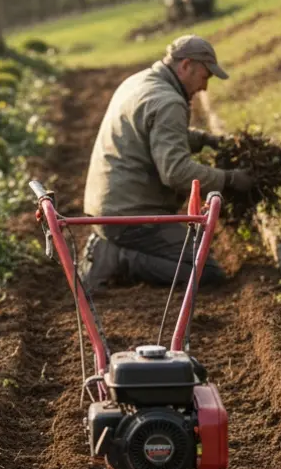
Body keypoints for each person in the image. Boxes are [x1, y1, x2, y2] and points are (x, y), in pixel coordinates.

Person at [80, 34, 256, 289]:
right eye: (205, 77)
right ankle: (120, 257)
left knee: (197, 264)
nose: (204, 87)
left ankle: (111, 245)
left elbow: (157, 133)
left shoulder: (139, 82)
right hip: (131, 217)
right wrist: (229, 179)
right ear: (185, 66)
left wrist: (206, 139)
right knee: (204, 273)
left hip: (105, 210)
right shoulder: (168, 102)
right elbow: (176, 173)